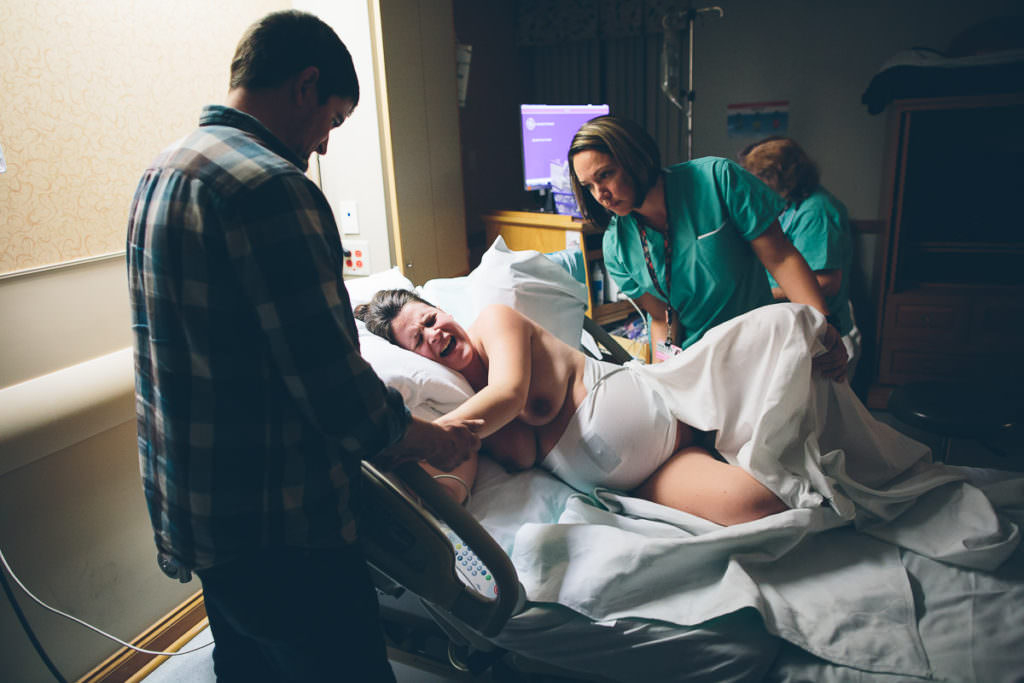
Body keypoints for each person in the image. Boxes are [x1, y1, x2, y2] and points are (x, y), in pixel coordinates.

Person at [126, 11, 480, 682]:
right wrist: (431, 439)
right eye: (333, 120)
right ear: (305, 84)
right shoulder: (274, 189)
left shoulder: (161, 172)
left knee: (248, 664)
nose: (322, 143)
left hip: (201, 510)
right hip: (284, 528)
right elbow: (337, 393)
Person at [356, 289, 789, 527]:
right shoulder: (460, 408)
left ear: (444, 311)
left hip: (676, 410)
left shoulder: (494, 322)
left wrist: (412, 440)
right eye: (418, 339)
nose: (434, 333)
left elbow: (509, 395)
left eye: (431, 319)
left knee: (786, 360)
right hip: (644, 479)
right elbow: (455, 477)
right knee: (760, 510)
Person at [567, 116, 848, 380]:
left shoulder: (717, 181)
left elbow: (782, 259)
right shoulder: (617, 246)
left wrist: (823, 330)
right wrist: (660, 381)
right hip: (696, 363)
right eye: (588, 186)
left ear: (636, 160)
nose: (600, 195)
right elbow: (662, 317)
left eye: (605, 175)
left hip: (758, 350)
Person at [738, 136, 861, 377]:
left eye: (760, 178)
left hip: (826, 332)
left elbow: (827, 282)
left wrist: (761, 294)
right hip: (789, 326)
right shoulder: (784, 206)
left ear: (781, 175)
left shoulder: (818, 212)